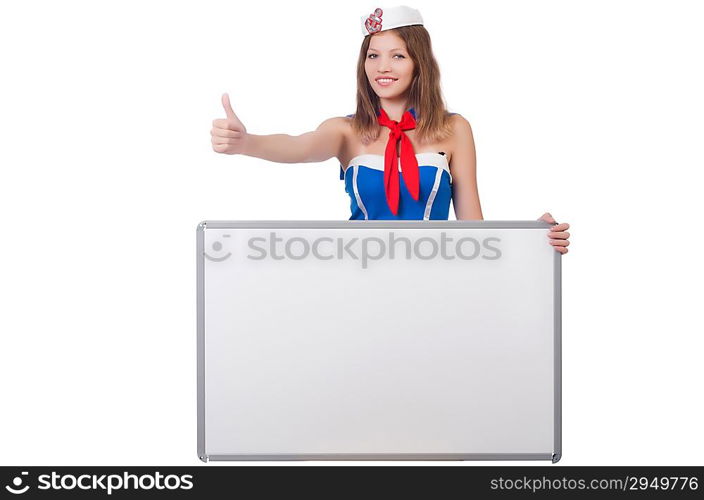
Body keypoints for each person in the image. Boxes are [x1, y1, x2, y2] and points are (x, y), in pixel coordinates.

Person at [210, 5, 570, 253]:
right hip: (359, 277)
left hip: (436, 279)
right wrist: (247, 143)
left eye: (397, 55)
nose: (382, 66)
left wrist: (530, 240)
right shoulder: (345, 131)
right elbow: (299, 146)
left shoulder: (454, 129)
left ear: (419, 64)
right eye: (373, 55)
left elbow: (473, 230)